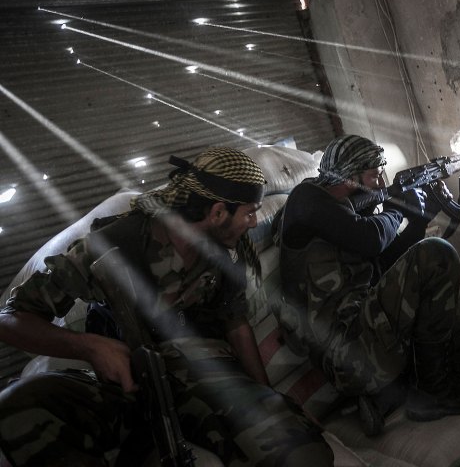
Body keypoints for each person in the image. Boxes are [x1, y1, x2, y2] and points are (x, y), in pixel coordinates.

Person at [0, 147, 334, 466]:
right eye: (248, 212)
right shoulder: (115, 245)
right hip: (127, 385)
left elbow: (236, 324)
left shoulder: (226, 251)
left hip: (204, 380)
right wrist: (89, 347)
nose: (253, 221)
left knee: (301, 453)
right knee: (16, 406)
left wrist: (268, 396)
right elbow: (11, 318)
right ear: (218, 212)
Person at [276, 135, 460, 436]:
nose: (380, 184)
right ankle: (433, 393)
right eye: (374, 176)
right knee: (438, 254)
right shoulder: (306, 199)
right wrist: (398, 208)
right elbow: (370, 239)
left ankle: (397, 387)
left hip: (378, 332)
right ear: (349, 177)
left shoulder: (351, 215)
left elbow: (385, 266)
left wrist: (418, 221)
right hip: (347, 352)